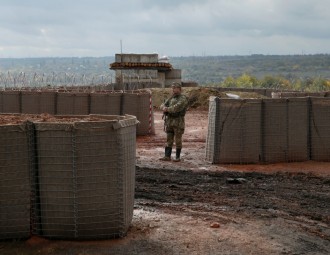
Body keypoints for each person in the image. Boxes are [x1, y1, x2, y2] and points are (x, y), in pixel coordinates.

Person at [159, 82, 188, 162]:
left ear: (179, 89)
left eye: (175, 88)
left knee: (178, 140)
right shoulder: (171, 97)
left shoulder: (183, 98)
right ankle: (167, 156)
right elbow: (162, 104)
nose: (173, 90)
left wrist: (167, 109)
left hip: (178, 121)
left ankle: (177, 157)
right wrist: (164, 107)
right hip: (170, 121)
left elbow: (177, 107)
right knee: (169, 139)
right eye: (173, 88)